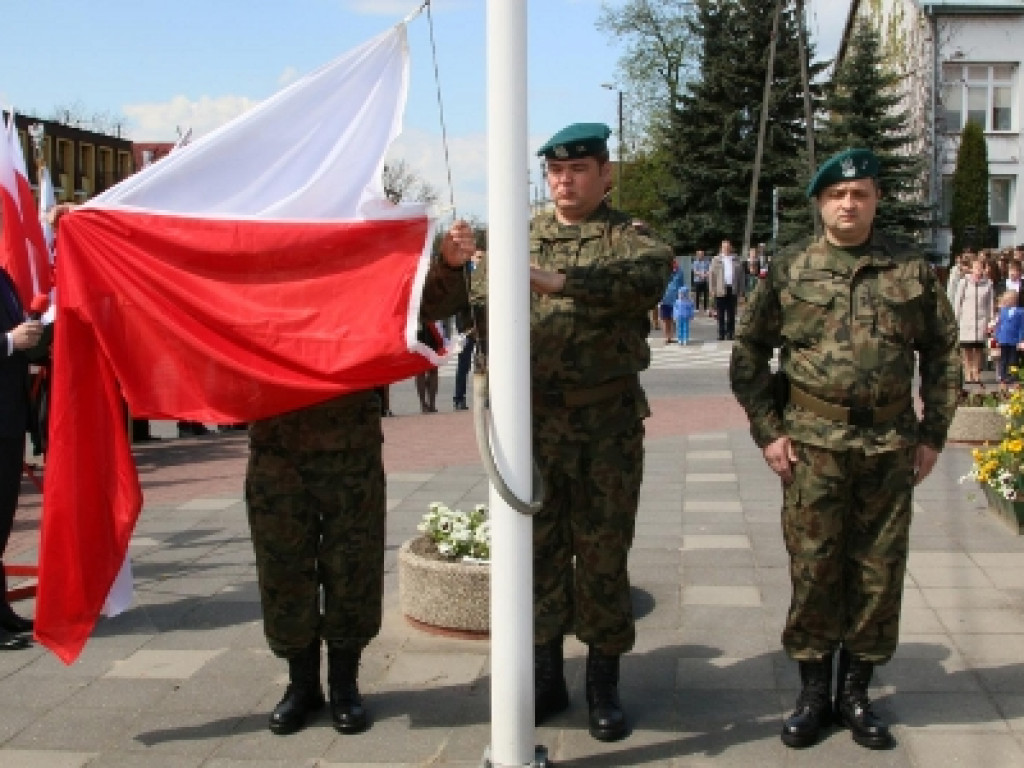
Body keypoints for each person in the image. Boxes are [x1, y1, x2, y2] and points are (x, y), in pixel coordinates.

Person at [441, 122, 672, 741]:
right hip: (532, 425)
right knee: (535, 553)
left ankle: (603, 685)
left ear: (605, 175)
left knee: (602, 552)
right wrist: (452, 259)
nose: (563, 182)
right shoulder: (515, 240)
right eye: (554, 172)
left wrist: (556, 281)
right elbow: (457, 303)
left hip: (606, 426)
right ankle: (546, 677)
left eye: (577, 171)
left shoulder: (630, 239)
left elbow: (645, 280)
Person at [729, 148, 960, 751]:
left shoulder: (909, 268)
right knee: (813, 567)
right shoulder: (791, 268)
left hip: (889, 445)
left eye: (860, 193)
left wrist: (933, 432)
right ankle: (812, 695)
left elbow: (941, 351)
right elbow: (749, 351)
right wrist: (768, 429)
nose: (849, 204)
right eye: (838, 195)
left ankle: (856, 693)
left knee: (878, 573)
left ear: (876, 199)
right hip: (812, 445)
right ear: (821, 203)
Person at [246, 222, 477, 736]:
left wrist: (449, 265)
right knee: (284, 570)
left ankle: (346, 685)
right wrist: (90, 229)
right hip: (276, 452)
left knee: (352, 567)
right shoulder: (256, 259)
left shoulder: (358, 258)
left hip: (350, 451)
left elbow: (419, 306)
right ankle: (301, 684)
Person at [0, 267, 43, 651]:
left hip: (9, 416)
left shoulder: (3, 276)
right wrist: (9, 342)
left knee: (1, 522)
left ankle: (1, 611)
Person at [953, 253, 996, 386]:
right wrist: (956, 319)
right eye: (975, 267)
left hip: (981, 321)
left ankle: (976, 372)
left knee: (978, 349)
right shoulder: (963, 282)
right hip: (966, 320)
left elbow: (990, 304)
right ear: (971, 269)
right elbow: (957, 302)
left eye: (980, 268)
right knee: (966, 349)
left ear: (983, 269)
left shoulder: (988, 284)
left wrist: (991, 320)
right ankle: (967, 372)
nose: (978, 270)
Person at [709, 239, 743, 340]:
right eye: (724, 247)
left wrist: (741, 291)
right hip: (720, 289)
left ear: (731, 248)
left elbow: (741, 276)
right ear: (721, 248)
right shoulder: (716, 259)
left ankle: (730, 333)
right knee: (720, 313)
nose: (726, 249)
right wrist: (712, 289)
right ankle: (721, 333)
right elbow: (711, 275)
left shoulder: (736, 259)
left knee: (731, 313)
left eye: (728, 247)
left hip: (732, 289)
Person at [993, 289, 1024, 390]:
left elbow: (1021, 327)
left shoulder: (1021, 312)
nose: (1005, 302)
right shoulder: (1003, 311)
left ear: (1014, 300)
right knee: (1003, 360)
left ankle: (1014, 378)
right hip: (1003, 339)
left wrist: (1021, 340)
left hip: (1014, 340)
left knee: (1013, 360)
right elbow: (999, 325)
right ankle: (1003, 378)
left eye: (1007, 300)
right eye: (1005, 300)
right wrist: (997, 338)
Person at [659, 260, 684, 344]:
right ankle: (667, 337)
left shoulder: (680, 272)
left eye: (676, 263)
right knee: (665, 319)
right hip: (665, 298)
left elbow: (681, 285)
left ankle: (671, 336)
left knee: (674, 319)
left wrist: (682, 296)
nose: (675, 265)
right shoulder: (664, 272)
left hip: (676, 299)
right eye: (673, 263)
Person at [691, 249, 711, 315]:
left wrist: (706, 274)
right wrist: (701, 274)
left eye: (702, 254)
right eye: (699, 254)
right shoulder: (695, 262)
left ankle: (706, 308)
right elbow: (694, 271)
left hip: (705, 280)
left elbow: (709, 270)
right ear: (697, 255)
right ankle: (696, 308)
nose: (700, 255)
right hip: (697, 280)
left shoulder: (707, 262)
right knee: (697, 295)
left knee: (706, 295)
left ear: (703, 255)